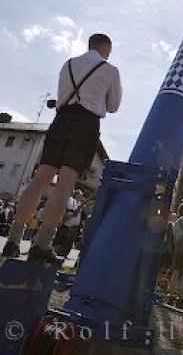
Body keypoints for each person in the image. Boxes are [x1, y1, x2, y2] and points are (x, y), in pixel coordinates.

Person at [2, 33, 122, 263]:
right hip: (85, 123)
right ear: (106, 47)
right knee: (66, 183)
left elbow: (61, 96)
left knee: (40, 179)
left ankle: (13, 240)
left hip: (61, 118)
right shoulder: (110, 70)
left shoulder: (68, 64)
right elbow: (114, 106)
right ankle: (42, 244)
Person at [54, 190, 86, 258]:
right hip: (66, 225)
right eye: (80, 194)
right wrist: (73, 213)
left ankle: (64, 255)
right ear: (76, 195)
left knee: (69, 243)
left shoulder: (81, 204)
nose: (81, 196)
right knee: (62, 240)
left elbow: (83, 217)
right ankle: (58, 254)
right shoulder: (71, 201)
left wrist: (82, 210)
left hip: (75, 227)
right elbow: (68, 212)